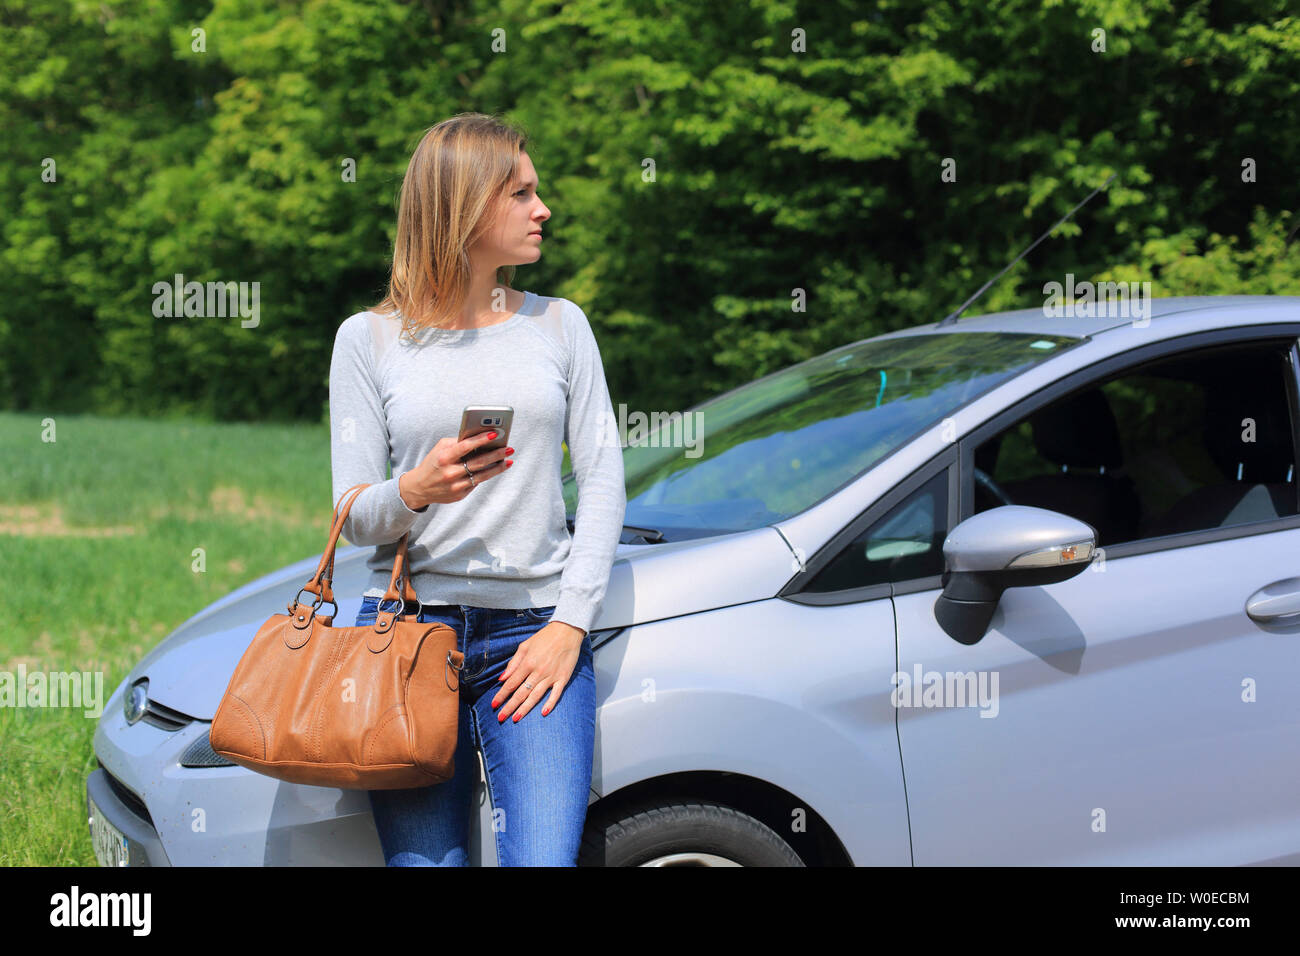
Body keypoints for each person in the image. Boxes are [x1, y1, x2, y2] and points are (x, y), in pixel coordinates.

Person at [328, 112, 626, 865]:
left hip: (533, 633)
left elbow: (603, 480)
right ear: (464, 204)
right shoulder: (368, 340)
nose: (543, 209)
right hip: (407, 636)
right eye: (521, 193)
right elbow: (352, 515)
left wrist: (570, 626)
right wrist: (416, 489)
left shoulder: (561, 326)